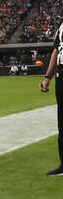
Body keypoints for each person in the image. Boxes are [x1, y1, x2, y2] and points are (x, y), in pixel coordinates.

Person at [40, 15, 63, 176]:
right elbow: (56, 49)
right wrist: (48, 76)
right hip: (61, 72)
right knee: (62, 122)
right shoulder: (62, 25)